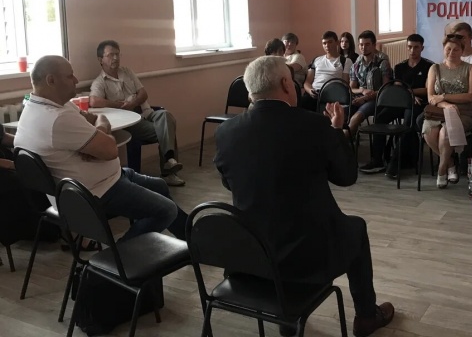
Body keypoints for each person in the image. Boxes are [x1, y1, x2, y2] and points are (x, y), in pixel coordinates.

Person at [214, 56, 394, 337]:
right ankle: (367, 317)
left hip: (252, 256)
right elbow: (347, 177)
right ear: (287, 84)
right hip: (307, 255)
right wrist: (338, 131)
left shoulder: (225, 132)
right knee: (356, 229)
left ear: (250, 92)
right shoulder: (314, 125)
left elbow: (229, 183)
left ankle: (286, 319)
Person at [14, 55, 188, 241]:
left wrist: (99, 129)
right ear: (51, 80)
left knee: (160, 186)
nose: (76, 80)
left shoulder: (38, 107)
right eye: (70, 76)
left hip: (105, 179)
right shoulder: (57, 118)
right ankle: (119, 255)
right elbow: (110, 150)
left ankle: (192, 239)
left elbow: (93, 120)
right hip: (97, 193)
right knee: (166, 211)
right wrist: (102, 129)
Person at [89, 40, 185, 186]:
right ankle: (169, 168)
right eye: (110, 55)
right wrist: (120, 105)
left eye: (117, 54)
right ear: (100, 59)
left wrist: (133, 103)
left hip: (147, 113)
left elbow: (143, 93)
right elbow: (94, 101)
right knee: (167, 129)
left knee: (166, 115)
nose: (115, 58)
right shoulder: (100, 82)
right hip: (133, 121)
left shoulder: (127, 72)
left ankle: (169, 161)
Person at [360, 34, 434, 177]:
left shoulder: (429, 66)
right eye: (410, 47)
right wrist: (410, 94)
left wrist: (410, 94)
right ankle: (377, 160)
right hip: (400, 102)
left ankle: (395, 162)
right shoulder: (400, 67)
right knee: (380, 117)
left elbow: (427, 89)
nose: (412, 50)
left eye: (416, 47)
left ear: (422, 48)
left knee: (407, 122)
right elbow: (398, 87)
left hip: (418, 104)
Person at [423, 35, 472, 188]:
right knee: (429, 132)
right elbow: (430, 97)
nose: (451, 52)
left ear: (462, 51)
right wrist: (446, 104)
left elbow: (471, 96)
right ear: (443, 49)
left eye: (456, 49)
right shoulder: (435, 68)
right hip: (438, 111)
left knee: (445, 132)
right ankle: (450, 162)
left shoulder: (470, 69)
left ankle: (441, 169)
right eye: (448, 49)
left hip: (463, 112)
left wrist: (443, 96)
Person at [347, 30, 392, 137]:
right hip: (358, 97)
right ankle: (346, 141)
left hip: (375, 100)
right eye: (361, 45)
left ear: (373, 45)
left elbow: (385, 89)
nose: (364, 47)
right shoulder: (356, 65)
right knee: (339, 113)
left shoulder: (382, 63)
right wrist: (362, 90)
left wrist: (364, 98)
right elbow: (351, 88)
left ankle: (340, 142)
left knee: (355, 118)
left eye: (367, 44)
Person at [300, 31, 352, 112]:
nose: (327, 45)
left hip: (332, 95)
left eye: (330, 42)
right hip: (314, 93)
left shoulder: (345, 61)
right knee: (299, 104)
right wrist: (310, 91)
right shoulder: (316, 60)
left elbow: (345, 84)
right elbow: (307, 82)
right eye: (324, 43)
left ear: (337, 43)